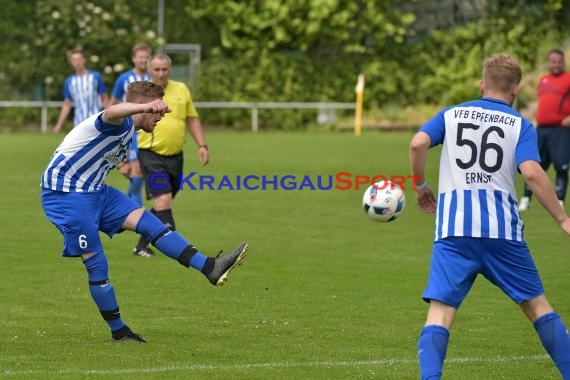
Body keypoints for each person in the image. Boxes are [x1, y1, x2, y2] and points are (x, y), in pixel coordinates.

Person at [41, 81, 248, 342]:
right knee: (97, 265)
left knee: (150, 223)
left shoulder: (131, 130)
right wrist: (147, 105)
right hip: (66, 195)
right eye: (156, 110)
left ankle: (210, 267)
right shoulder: (114, 119)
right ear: (141, 107)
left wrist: (122, 165)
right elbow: (111, 112)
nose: (160, 115)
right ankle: (119, 331)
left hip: (94, 190)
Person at [410, 53, 570, 379]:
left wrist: (421, 185)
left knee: (439, 316)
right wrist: (562, 218)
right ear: (516, 90)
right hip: (502, 233)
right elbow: (532, 173)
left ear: (482, 84)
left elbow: (418, 143)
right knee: (539, 309)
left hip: (454, 230)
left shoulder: (451, 114)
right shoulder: (521, 125)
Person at [133, 53, 209, 257]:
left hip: (176, 156)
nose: (160, 73)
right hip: (151, 155)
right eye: (156, 69)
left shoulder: (181, 89)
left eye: (164, 69)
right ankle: (178, 248)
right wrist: (125, 157)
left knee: (162, 203)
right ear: (150, 70)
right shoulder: (142, 91)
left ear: (170, 69)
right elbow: (127, 121)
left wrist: (202, 144)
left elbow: (192, 118)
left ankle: (141, 245)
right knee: (163, 200)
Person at [519, 49, 570, 211]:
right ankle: (526, 199)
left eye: (558, 61)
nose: (556, 64)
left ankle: (559, 201)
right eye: (553, 61)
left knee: (561, 165)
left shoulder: (568, 79)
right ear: (549, 62)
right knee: (534, 164)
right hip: (541, 130)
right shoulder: (544, 80)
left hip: (560, 130)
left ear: (563, 62)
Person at [110, 43, 152, 230]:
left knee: (137, 173)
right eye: (140, 57)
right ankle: (137, 212)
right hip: (131, 131)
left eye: (146, 57)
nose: (143, 60)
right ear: (134, 58)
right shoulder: (124, 79)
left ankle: (128, 208)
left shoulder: (154, 78)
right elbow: (112, 104)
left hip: (151, 133)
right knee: (135, 172)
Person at [53, 48, 109, 133]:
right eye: (74, 60)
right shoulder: (69, 81)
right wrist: (59, 124)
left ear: (84, 60)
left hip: (96, 121)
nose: (77, 62)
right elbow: (67, 104)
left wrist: (111, 118)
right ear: (71, 62)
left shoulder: (95, 77)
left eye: (79, 59)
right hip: (78, 123)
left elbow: (105, 99)